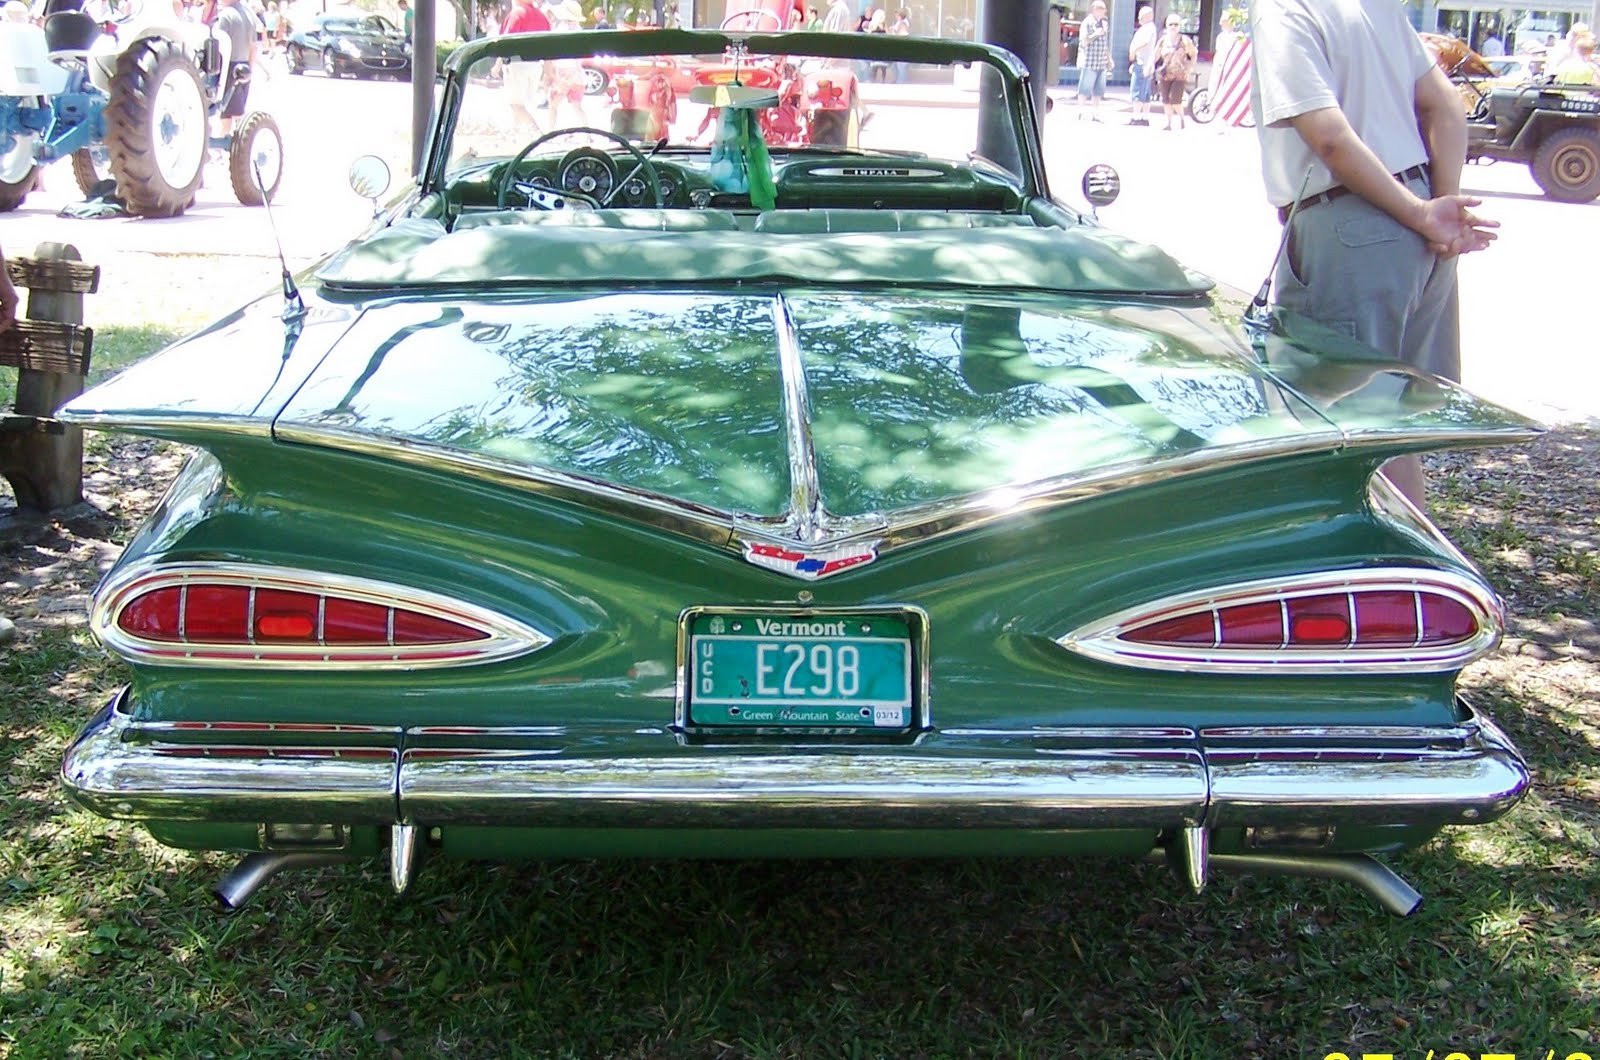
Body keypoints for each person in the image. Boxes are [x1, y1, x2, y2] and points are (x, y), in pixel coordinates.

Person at [1250, 0, 1499, 507]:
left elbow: (1328, 136)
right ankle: (1409, 551)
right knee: (1393, 425)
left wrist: (1424, 214)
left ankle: (1349, 551)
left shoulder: (1283, 7)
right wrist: (1438, 207)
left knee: (1336, 423)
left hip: (1354, 223)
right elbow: (1446, 104)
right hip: (1418, 224)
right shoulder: (1373, 6)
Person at [210, 0, 256, 140]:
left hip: (228, 66)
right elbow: (253, 47)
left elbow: (217, 45)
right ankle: (239, 141)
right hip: (245, 66)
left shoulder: (225, 16)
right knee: (238, 112)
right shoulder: (249, 15)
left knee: (226, 113)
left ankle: (224, 142)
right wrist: (250, 70)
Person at [1152, 13, 1195, 130]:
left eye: (1176, 24)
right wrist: (1149, 66)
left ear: (1179, 26)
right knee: (1166, 100)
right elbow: (1155, 55)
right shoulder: (1163, 40)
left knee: (1175, 100)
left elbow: (1193, 54)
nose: (1173, 27)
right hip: (1165, 74)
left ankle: (1182, 118)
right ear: (1167, 26)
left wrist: (1190, 68)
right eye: (1171, 24)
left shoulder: (1185, 41)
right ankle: (1169, 123)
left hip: (1180, 75)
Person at [1075, 0, 1111, 120]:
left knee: (1099, 90)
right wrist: (1095, 34)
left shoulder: (1104, 24)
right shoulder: (1087, 23)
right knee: (1084, 88)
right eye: (1102, 9)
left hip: (1101, 62)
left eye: (1104, 9)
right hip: (1089, 62)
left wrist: (1109, 59)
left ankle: (1095, 113)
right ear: (1095, 9)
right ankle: (1081, 112)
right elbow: (1084, 41)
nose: (1104, 12)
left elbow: (1105, 44)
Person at [1126, 5, 1156, 127]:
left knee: (1137, 90)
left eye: (1142, 15)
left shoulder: (1148, 28)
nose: (1140, 18)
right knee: (1146, 92)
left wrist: (1133, 51)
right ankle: (1144, 117)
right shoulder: (1148, 28)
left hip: (1142, 64)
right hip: (1144, 63)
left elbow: (1145, 42)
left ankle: (1136, 117)